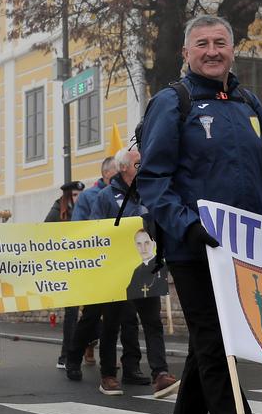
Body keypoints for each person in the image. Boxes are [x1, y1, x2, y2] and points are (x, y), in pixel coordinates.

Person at [137, 14, 262, 414]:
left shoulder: (249, 103)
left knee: (217, 346)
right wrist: (187, 225)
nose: (211, 50)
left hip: (249, 252)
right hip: (195, 249)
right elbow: (153, 182)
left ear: (232, 49)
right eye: (201, 44)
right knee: (217, 345)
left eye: (219, 43)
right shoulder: (173, 103)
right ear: (187, 53)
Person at [66, 147, 178, 397]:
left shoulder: (150, 192)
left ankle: (160, 373)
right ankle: (108, 375)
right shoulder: (106, 197)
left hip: (147, 269)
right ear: (124, 167)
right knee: (112, 323)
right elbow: (95, 231)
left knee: (152, 322)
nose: (144, 165)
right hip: (115, 272)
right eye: (139, 162)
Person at [46, 180, 86, 370]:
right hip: (67, 268)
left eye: (81, 194)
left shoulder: (86, 207)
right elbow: (45, 232)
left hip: (86, 266)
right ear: (68, 195)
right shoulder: (57, 210)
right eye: (75, 195)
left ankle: (86, 348)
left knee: (93, 314)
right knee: (71, 314)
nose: (79, 198)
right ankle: (66, 356)